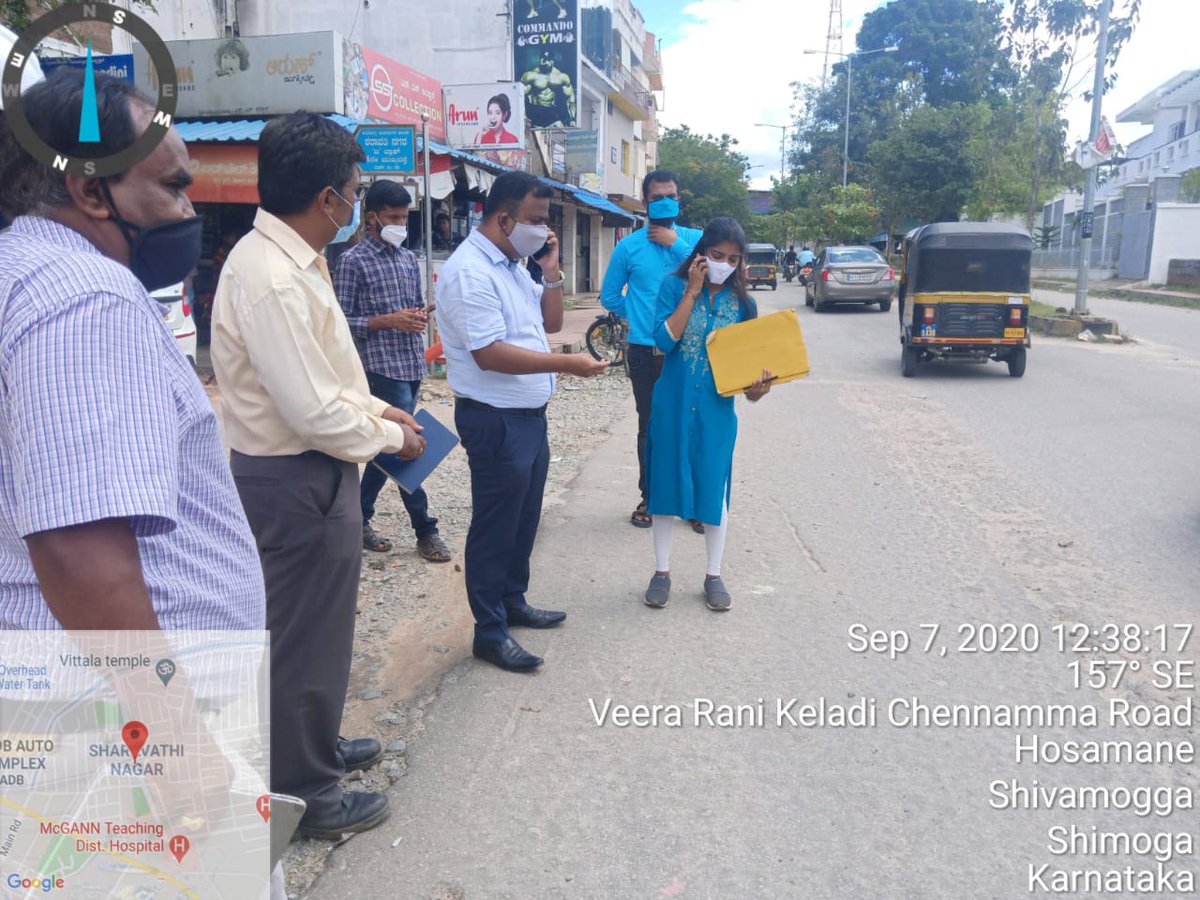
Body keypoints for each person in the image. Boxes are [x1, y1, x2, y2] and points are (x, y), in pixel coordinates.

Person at [0, 67, 284, 894]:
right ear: (92, 191)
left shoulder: (22, 274)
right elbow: (79, 542)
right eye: (171, 185)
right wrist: (167, 735)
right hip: (121, 713)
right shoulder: (83, 295)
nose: (191, 209)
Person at [212, 111, 426, 841]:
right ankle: (309, 798)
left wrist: (383, 416)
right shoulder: (272, 276)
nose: (362, 205)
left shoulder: (295, 259)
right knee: (304, 640)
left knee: (316, 634)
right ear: (328, 198)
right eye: (357, 191)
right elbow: (311, 411)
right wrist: (385, 435)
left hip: (310, 470)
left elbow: (332, 377)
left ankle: (312, 748)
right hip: (297, 477)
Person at [435, 172, 608, 672]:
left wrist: (550, 269)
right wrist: (567, 365)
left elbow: (550, 323)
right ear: (505, 218)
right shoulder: (471, 272)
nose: (541, 229)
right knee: (495, 525)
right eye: (534, 221)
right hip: (494, 420)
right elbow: (488, 354)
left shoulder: (512, 265)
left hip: (529, 419)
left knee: (523, 518)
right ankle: (489, 631)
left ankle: (513, 600)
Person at [642, 217, 773, 612]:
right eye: (717, 256)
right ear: (701, 253)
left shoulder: (744, 305)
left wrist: (758, 389)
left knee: (715, 491)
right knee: (664, 486)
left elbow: (751, 378)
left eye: (732, 259)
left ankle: (714, 574)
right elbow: (662, 342)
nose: (724, 264)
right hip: (672, 405)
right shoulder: (673, 286)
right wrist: (692, 293)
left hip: (717, 412)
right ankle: (661, 572)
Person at [334, 180, 451, 562]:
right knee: (408, 447)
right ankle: (425, 529)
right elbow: (338, 322)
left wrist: (417, 317)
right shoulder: (352, 261)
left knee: (389, 449)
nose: (401, 223)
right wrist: (386, 321)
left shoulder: (405, 258)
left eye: (405, 217)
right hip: (378, 370)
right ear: (373, 218)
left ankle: (358, 518)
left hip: (411, 363)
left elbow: (412, 309)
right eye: (393, 217)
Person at [600, 169, 703, 530]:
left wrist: (674, 242)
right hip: (645, 351)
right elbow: (609, 296)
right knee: (652, 426)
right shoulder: (628, 247)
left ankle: (693, 503)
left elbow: (713, 275)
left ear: (679, 199)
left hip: (688, 351)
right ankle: (651, 496)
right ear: (645, 203)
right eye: (657, 197)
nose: (665, 202)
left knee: (692, 424)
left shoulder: (694, 240)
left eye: (671, 195)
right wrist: (641, 317)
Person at [520, 49, 576, 128]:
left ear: (552, 61)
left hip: (552, 112)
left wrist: (572, 118)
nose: (545, 62)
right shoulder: (530, 76)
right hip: (536, 113)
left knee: (560, 129)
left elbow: (570, 97)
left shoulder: (561, 77)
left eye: (547, 60)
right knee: (535, 138)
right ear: (540, 59)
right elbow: (520, 97)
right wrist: (523, 117)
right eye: (543, 59)